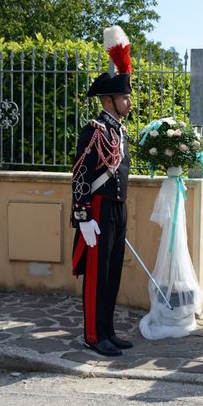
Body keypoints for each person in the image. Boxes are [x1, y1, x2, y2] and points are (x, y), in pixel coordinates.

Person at [71, 26, 134, 357]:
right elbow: (80, 172)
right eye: (125, 97)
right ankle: (93, 335)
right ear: (109, 100)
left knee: (111, 273)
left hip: (117, 208)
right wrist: (82, 216)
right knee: (96, 275)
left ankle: (108, 330)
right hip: (97, 208)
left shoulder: (118, 131)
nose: (129, 101)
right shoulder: (94, 129)